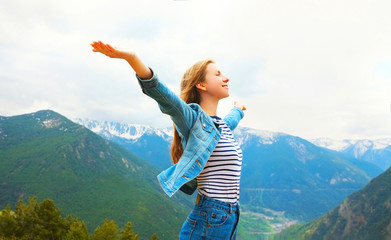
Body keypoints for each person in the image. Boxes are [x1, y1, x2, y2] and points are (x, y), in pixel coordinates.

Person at [90, 40, 247, 240]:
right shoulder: (193, 120)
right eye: (217, 74)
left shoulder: (219, 127)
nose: (226, 78)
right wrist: (132, 58)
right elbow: (164, 97)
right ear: (201, 84)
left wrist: (239, 110)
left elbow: (230, 121)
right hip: (210, 218)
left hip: (229, 218)